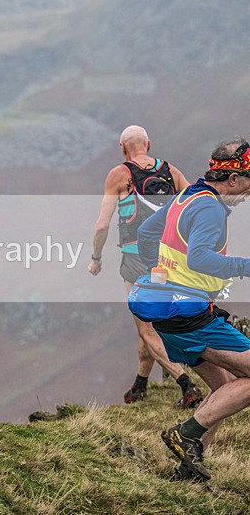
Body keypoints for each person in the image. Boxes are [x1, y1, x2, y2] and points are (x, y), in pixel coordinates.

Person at [132, 137, 250, 482]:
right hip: (190, 316)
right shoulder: (211, 207)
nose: (248, 192)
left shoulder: (187, 196)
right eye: (248, 182)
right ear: (233, 179)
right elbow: (200, 258)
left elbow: (145, 232)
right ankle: (185, 433)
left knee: (224, 388)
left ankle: (189, 470)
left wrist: (162, 274)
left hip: (171, 315)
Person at [89, 125, 202, 408]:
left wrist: (96, 257)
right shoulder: (170, 171)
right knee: (152, 321)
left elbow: (102, 224)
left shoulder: (119, 175)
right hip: (168, 259)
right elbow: (196, 206)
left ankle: (185, 384)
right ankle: (140, 386)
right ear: (148, 144)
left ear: (122, 147)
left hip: (136, 258)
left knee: (146, 329)